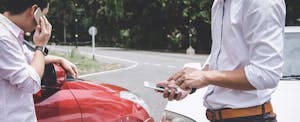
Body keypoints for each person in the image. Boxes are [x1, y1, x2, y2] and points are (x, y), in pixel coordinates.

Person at [158, 0, 286, 121]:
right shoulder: (219, 3)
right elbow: (223, 59)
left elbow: (266, 74)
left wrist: (204, 77)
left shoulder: (261, 3)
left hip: (250, 117)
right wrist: (190, 83)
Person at [0, 0, 78, 121]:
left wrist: (59, 59)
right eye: (43, 15)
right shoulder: (3, 38)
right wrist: (40, 45)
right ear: (34, 11)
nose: (43, 20)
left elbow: (30, 58)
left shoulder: (8, 33)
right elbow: (31, 83)